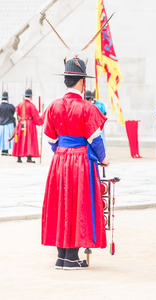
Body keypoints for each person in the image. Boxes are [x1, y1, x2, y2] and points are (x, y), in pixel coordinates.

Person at [41, 57, 110, 270]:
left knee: (61, 203)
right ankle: (72, 256)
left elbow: (51, 138)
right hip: (80, 160)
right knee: (78, 204)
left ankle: (62, 256)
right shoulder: (87, 108)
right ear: (82, 82)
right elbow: (95, 139)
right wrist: (103, 158)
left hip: (60, 160)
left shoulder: (53, 106)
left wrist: (61, 151)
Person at [11, 88, 43, 163]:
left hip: (21, 123)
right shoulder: (31, 105)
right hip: (29, 124)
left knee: (20, 139)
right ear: (30, 97)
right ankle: (29, 157)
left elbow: (16, 113)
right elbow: (36, 117)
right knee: (29, 140)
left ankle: (19, 157)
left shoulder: (19, 104)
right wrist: (40, 121)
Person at [0, 91, 16, 156]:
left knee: (2, 138)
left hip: (1, 124)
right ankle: (7, 150)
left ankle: (3, 150)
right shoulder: (11, 106)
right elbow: (13, 113)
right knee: (8, 137)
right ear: (7, 99)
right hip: (9, 124)